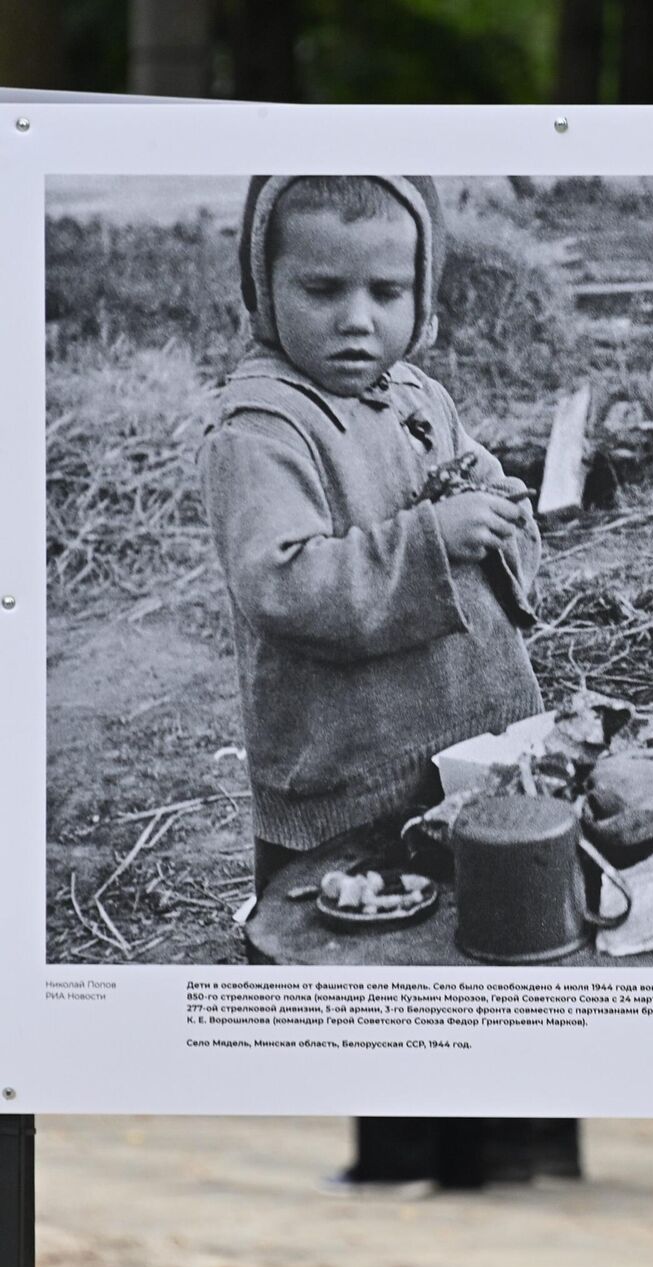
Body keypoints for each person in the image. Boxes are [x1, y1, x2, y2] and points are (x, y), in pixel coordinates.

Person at [199, 175, 547, 1192]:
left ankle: (484, 1158)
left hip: (469, 747)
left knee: (472, 956)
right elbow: (284, 579)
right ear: (263, 288)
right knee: (355, 985)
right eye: (322, 289)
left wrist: (492, 499)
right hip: (349, 769)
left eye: (388, 292)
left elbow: (484, 482)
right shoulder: (262, 426)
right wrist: (428, 540)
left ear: (422, 292)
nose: (359, 321)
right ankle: (365, 1180)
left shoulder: (419, 396)